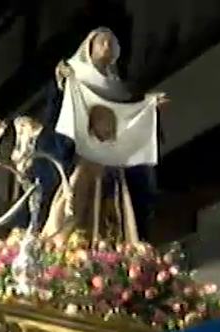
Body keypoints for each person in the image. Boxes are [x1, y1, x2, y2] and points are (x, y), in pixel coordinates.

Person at [34, 27, 165, 245]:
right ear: (89, 46)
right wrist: (62, 84)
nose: (106, 46)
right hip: (84, 155)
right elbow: (62, 109)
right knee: (75, 201)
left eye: (110, 43)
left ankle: (115, 248)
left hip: (112, 160)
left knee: (118, 208)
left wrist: (150, 106)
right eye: (101, 42)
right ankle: (69, 244)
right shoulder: (74, 73)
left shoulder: (120, 89)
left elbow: (128, 117)